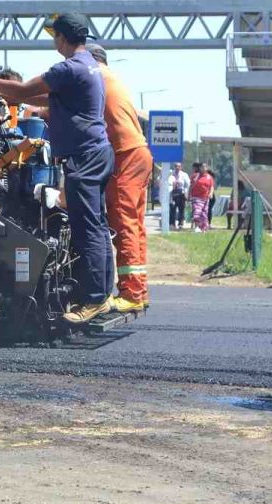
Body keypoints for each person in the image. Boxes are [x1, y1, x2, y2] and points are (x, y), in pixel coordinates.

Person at [0, 13, 114, 324]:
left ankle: (94, 299)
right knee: (97, 225)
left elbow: (23, 90)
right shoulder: (88, 65)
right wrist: (8, 95)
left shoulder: (67, 67)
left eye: (55, 36)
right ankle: (103, 295)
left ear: (61, 38)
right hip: (97, 152)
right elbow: (45, 96)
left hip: (84, 156)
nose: (54, 42)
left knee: (87, 229)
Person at [84, 43, 151, 313]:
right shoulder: (112, 78)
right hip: (138, 153)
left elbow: (60, 101)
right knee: (134, 225)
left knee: (123, 224)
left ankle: (131, 293)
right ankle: (138, 289)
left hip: (125, 156)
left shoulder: (94, 77)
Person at [163, 162, 190, 229]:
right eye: (176, 166)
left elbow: (188, 184)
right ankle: (172, 224)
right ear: (174, 167)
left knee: (181, 209)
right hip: (172, 194)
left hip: (181, 194)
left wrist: (186, 193)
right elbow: (167, 182)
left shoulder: (184, 175)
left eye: (179, 166)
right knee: (172, 209)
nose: (177, 168)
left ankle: (180, 223)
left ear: (181, 167)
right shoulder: (171, 174)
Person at [189, 163, 214, 232]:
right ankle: (197, 227)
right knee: (197, 211)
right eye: (202, 167)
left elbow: (211, 187)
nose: (203, 168)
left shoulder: (209, 177)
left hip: (205, 197)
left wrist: (211, 193)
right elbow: (191, 186)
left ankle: (203, 227)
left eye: (205, 167)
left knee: (204, 213)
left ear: (207, 168)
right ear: (199, 168)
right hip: (196, 197)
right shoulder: (195, 176)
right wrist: (188, 195)